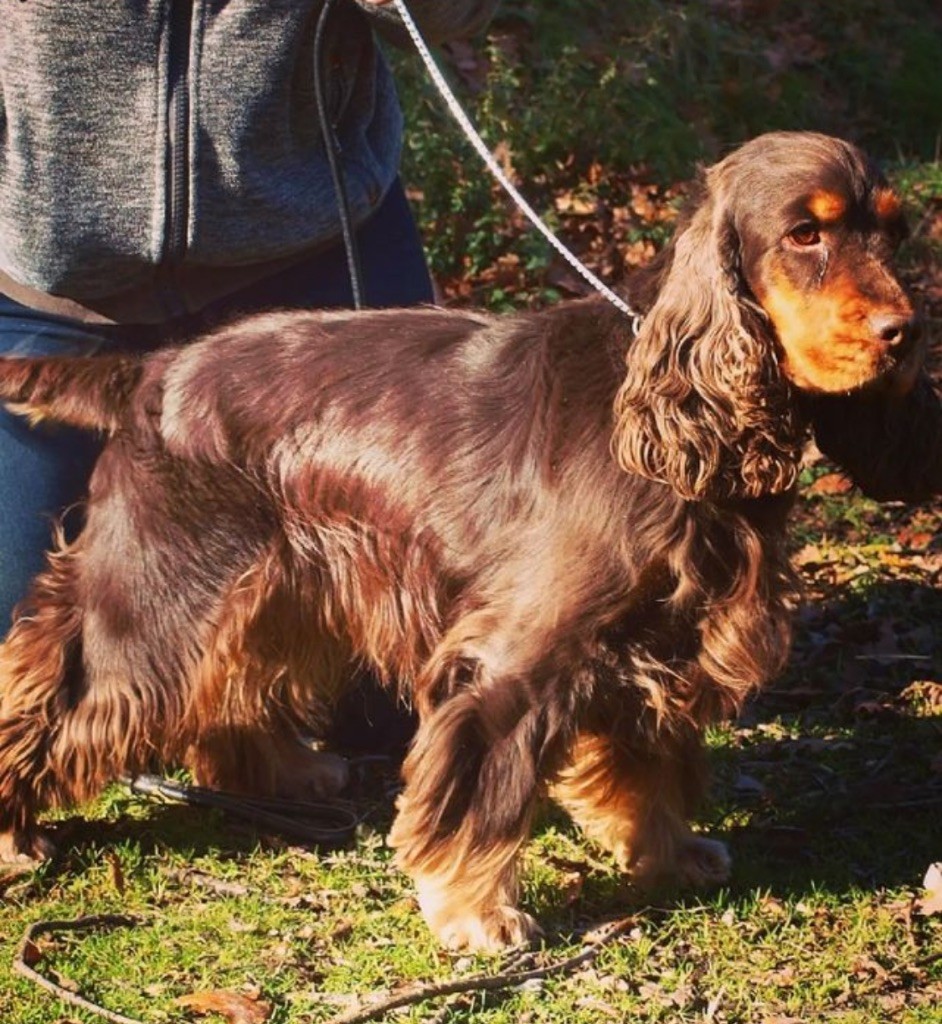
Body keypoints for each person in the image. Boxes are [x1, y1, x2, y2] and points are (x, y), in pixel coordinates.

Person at [0, 0, 500, 637]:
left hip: (312, 270)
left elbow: (446, 19)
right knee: (29, 641)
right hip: (41, 286)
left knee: (400, 654)